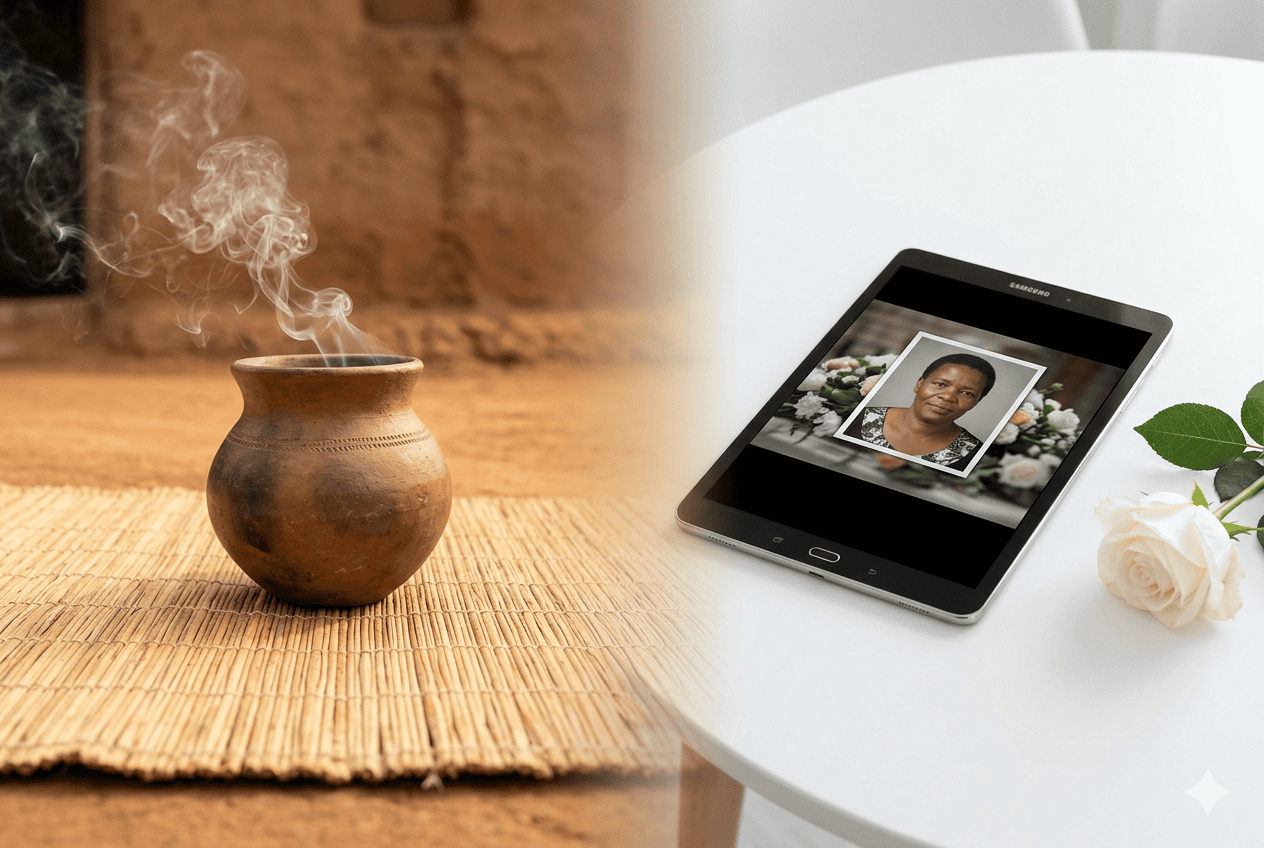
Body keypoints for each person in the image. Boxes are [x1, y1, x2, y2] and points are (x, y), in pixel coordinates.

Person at [842, 353, 995, 472]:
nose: (948, 397)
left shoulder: (977, 457)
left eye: (967, 393)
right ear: (919, 384)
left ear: (976, 402)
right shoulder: (854, 418)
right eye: (940, 384)